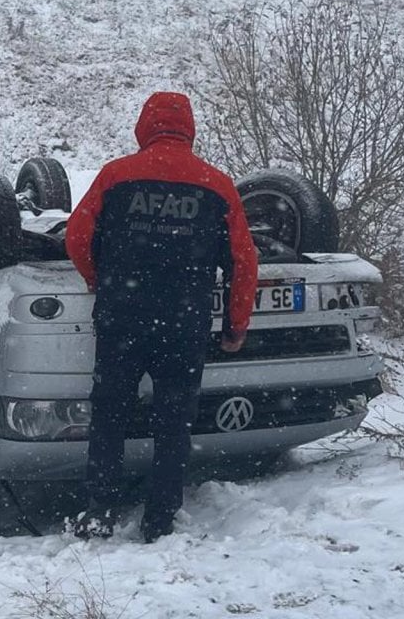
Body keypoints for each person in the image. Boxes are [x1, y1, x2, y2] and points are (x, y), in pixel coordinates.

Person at [65, 92, 259, 542]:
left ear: (144, 127)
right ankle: (160, 519)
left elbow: (76, 236)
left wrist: (99, 278)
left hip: (121, 318)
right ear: (188, 128)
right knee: (174, 423)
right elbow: (244, 261)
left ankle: (100, 512)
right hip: (184, 322)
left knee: (110, 415)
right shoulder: (217, 184)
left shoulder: (116, 176)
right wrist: (236, 325)